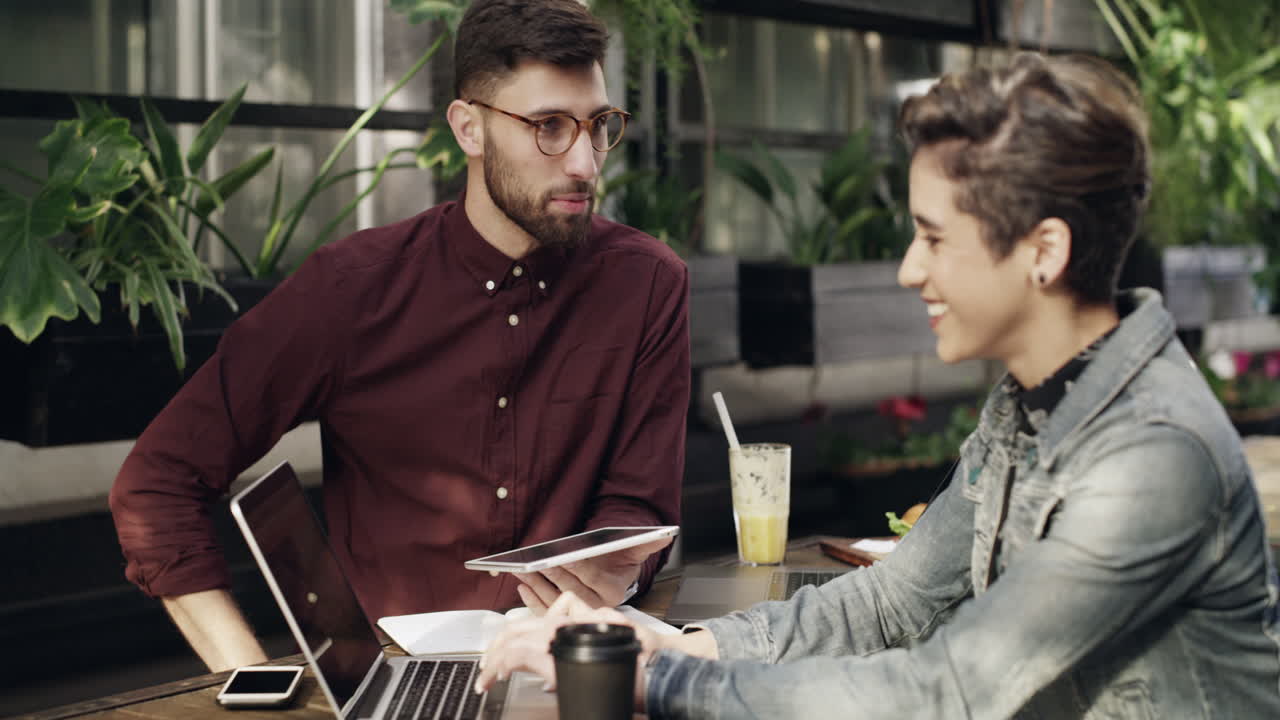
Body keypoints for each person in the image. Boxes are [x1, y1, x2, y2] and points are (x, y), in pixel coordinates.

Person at [476, 53, 1280, 718]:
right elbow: (891, 603)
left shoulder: (1151, 457)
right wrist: (676, 647)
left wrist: (652, 681)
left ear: (1045, 250)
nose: (908, 269)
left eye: (934, 237)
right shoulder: (1033, 403)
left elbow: (946, 692)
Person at [109, 0, 687, 673]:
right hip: (394, 681)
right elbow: (158, 481)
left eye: (598, 126)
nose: (586, 163)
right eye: (549, 127)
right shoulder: (350, 289)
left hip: (576, 668)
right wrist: (248, 676)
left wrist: (614, 570)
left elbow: (639, 503)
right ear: (469, 128)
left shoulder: (647, 284)